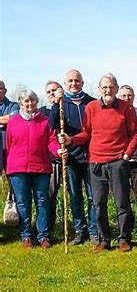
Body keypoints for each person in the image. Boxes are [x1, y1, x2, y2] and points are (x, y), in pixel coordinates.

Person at [60, 73, 137, 252]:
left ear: (116, 89)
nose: (108, 90)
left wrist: (127, 154)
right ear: (99, 89)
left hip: (118, 162)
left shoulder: (126, 108)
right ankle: (104, 240)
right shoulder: (91, 107)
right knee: (98, 203)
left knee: (122, 202)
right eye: (104, 87)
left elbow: (135, 133)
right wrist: (70, 140)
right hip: (95, 162)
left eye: (111, 87)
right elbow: (86, 134)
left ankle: (124, 239)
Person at [5, 87, 66, 249]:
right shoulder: (13, 122)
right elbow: (9, 145)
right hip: (18, 168)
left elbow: (51, 142)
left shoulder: (45, 121)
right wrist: (11, 166)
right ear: (21, 104)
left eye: (32, 100)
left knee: (42, 201)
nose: (29, 103)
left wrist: (58, 151)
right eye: (26, 101)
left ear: (37, 102)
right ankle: (26, 235)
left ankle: (43, 235)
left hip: (41, 167)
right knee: (23, 203)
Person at [49, 69, 98, 245]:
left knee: (93, 196)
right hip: (71, 157)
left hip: (92, 155)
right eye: (70, 81)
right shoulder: (62, 102)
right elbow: (53, 124)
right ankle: (80, 230)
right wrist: (56, 103)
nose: (73, 84)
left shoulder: (92, 102)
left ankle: (94, 229)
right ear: (65, 83)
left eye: (77, 81)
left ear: (82, 83)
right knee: (75, 195)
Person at [117, 85, 137, 231]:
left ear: (134, 96)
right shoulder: (115, 112)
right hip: (119, 158)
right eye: (123, 95)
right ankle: (127, 224)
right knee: (123, 193)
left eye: (129, 95)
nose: (126, 98)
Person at [39, 81, 64, 232]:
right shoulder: (42, 111)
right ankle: (48, 227)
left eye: (54, 90)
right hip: (51, 159)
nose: (52, 93)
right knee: (49, 195)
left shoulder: (67, 107)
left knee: (75, 196)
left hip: (71, 157)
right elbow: (49, 128)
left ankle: (79, 228)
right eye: (48, 91)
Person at [0, 80, 20, 194]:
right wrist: (4, 120)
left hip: (10, 149)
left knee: (13, 180)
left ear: (5, 90)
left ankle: (13, 206)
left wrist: (8, 120)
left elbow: (14, 119)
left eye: (0, 88)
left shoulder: (13, 105)